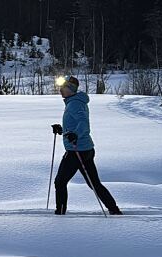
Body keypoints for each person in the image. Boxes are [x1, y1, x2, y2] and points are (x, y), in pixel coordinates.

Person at [52, 76, 121, 215]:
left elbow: (84, 123)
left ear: (70, 89)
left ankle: (60, 213)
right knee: (94, 183)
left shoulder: (75, 104)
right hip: (85, 149)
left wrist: (75, 134)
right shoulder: (74, 102)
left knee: (60, 182)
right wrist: (63, 130)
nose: (60, 91)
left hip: (76, 150)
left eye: (63, 88)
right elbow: (76, 123)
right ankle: (114, 209)